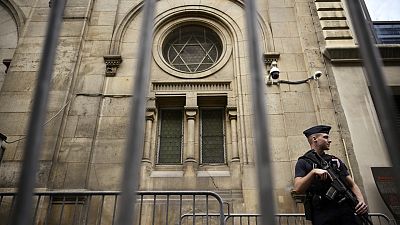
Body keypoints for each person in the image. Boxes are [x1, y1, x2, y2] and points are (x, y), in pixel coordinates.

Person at [293, 125, 368, 225]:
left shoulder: (335, 161)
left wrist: (361, 201)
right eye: (325, 137)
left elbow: (351, 184)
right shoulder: (304, 162)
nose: (330, 140)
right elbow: (298, 188)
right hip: (322, 212)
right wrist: (313, 172)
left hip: (344, 210)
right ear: (314, 139)